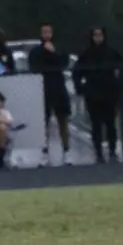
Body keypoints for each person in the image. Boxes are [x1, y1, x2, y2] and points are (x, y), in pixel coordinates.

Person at [73, 27, 123, 163]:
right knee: (96, 125)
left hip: (109, 93)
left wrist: (119, 84)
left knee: (110, 124)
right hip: (93, 94)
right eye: (95, 35)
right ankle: (98, 152)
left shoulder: (111, 53)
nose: (98, 38)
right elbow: (76, 72)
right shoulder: (86, 55)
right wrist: (81, 88)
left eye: (100, 35)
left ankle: (112, 150)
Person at [28, 23, 72, 166]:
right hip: (42, 88)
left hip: (58, 87)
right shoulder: (35, 52)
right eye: (44, 32)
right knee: (43, 122)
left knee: (62, 120)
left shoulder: (60, 49)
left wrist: (54, 53)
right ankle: (44, 153)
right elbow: (33, 67)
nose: (47, 35)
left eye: (49, 32)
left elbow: (63, 63)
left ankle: (66, 151)